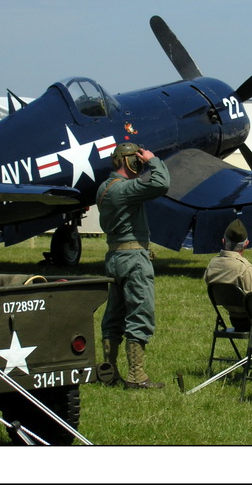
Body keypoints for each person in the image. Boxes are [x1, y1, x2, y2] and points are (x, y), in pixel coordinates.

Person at [97, 143, 170, 389]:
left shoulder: (104, 188)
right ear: (129, 161)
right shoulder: (125, 189)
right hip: (134, 260)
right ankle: (136, 376)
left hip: (114, 257)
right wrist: (153, 160)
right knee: (139, 314)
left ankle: (109, 371)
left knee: (114, 316)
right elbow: (161, 183)